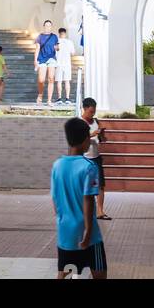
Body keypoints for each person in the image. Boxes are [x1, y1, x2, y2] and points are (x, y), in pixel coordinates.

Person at [50, 117, 107, 279]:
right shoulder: (89, 166)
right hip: (88, 234)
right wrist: (88, 231)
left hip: (65, 230)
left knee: (65, 271)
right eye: (88, 136)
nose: (90, 140)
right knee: (99, 273)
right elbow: (88, 200)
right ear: (84, 140)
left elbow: (55, 199)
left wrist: (61, 220)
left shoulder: (57, 165)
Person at [82, 98, 110, 220]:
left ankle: (100, 211)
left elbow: (103, 141)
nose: (92, 114)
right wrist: (91, 134)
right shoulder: (79, 122)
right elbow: (77, 140)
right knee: (85, 185)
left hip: (96, 157)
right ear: (84, 109)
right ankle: (85, 211)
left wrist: (102, 135)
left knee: (101, 185)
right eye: (90, 111)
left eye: (94, 111)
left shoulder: (96, 121)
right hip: (84, 158)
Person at [34, 20, 58, 106]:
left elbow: (56, 47)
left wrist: (57, 48)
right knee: (41, 80)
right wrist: (35, 60)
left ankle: (49, 100)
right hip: (42, 59)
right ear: (44, 26)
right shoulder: (40, 36)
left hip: (51, 58)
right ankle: (40, 95)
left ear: (51, 27)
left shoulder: (54, 36)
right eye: (46, 25)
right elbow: (37, 49)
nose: (48, 27)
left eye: (49, 25)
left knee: (51, 78)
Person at [54, 28, 74, 104]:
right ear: (65, 33)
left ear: (59, 33)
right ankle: (67, 98)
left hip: (58, 64)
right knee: (67, 81)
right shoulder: (69, 42)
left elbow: (54, 52)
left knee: (59, 81)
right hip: (67, 64)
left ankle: (59, 98)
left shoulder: (56, 42)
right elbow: (72, 53)